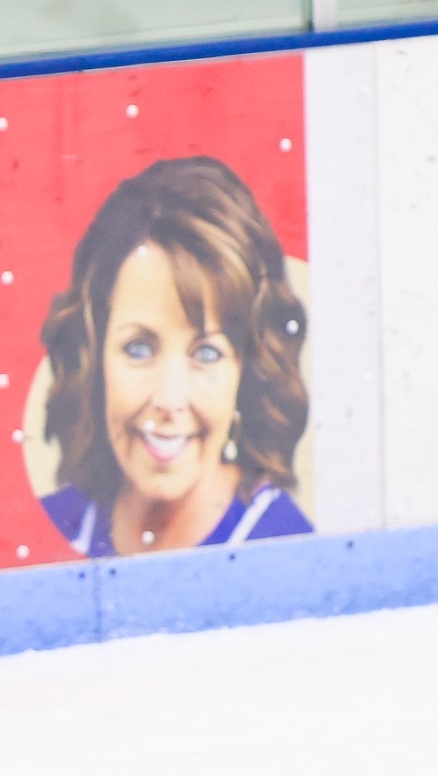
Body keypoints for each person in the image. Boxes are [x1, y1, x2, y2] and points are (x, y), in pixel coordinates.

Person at [37, 156, 312, 556]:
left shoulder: (285, 549)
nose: (168, 399)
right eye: (139, 349)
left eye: (206, 353)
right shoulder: (52, 533)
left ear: (246, 375)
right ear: (94, 360)